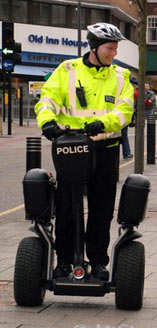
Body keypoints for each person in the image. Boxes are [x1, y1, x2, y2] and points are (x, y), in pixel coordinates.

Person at [35, 23, 134, 280]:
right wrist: (46, 122)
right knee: (67, 207)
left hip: (105, 149)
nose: (113, 52)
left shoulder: (121, 76)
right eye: (109, 48)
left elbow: (125, 111)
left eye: (115, 48)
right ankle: (65, 261)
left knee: (101, 209)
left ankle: (99, 262)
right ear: (94, 47)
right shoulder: (67, 70)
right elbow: (48, 99)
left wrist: (104, 123)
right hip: (71, 149)